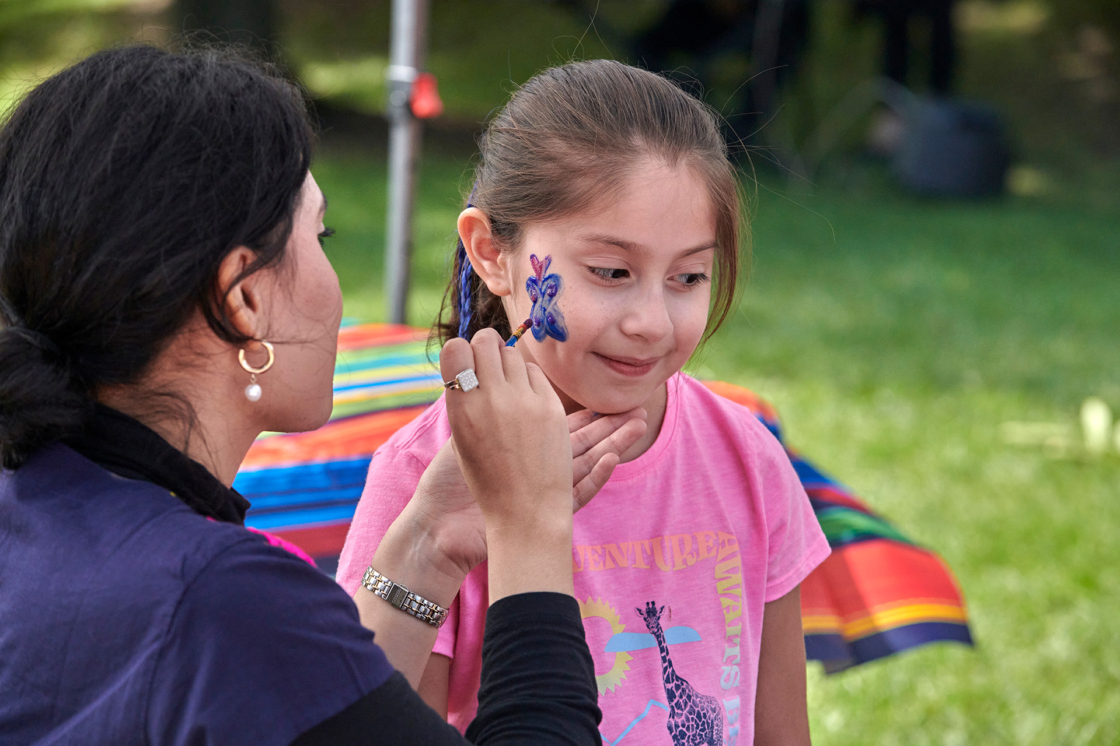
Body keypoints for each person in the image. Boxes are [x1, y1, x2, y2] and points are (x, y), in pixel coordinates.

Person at [0, 45, 648, 745]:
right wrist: (530, 527)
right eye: (321, 234)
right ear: (243, 299)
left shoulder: (40, 514)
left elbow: (330, 710)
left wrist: (429, 542)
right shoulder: (220, 604)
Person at [337, 59, 831, 745]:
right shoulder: (429, 475)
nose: (651, 321)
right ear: (491, 252)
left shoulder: (747, 457)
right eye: (612, 272)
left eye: (688, 276)